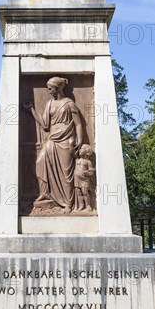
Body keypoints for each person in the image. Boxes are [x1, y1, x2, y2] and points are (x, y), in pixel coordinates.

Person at [25, 77, 83, 214]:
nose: (49, 91)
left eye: (50, 88)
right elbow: (45, 125)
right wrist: (31, 110)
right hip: (52, 139)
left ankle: (68, 204)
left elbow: (78, 124)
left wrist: (79, 141)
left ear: (57, 88)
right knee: (40, 163)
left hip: (67, 140)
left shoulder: (69, 104)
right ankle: (45, 194)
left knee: (66, 173)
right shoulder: (50, 104)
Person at [74, 144, 95, 211]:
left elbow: (91, 171)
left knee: (85, 192)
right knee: (78, 192)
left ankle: (88, 206)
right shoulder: (77, 160)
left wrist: (86, 173)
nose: (80, 150)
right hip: (77, 178)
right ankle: (81, 205)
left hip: (84, 179)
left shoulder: (88, 162)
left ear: (86, 152)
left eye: (82, 149)